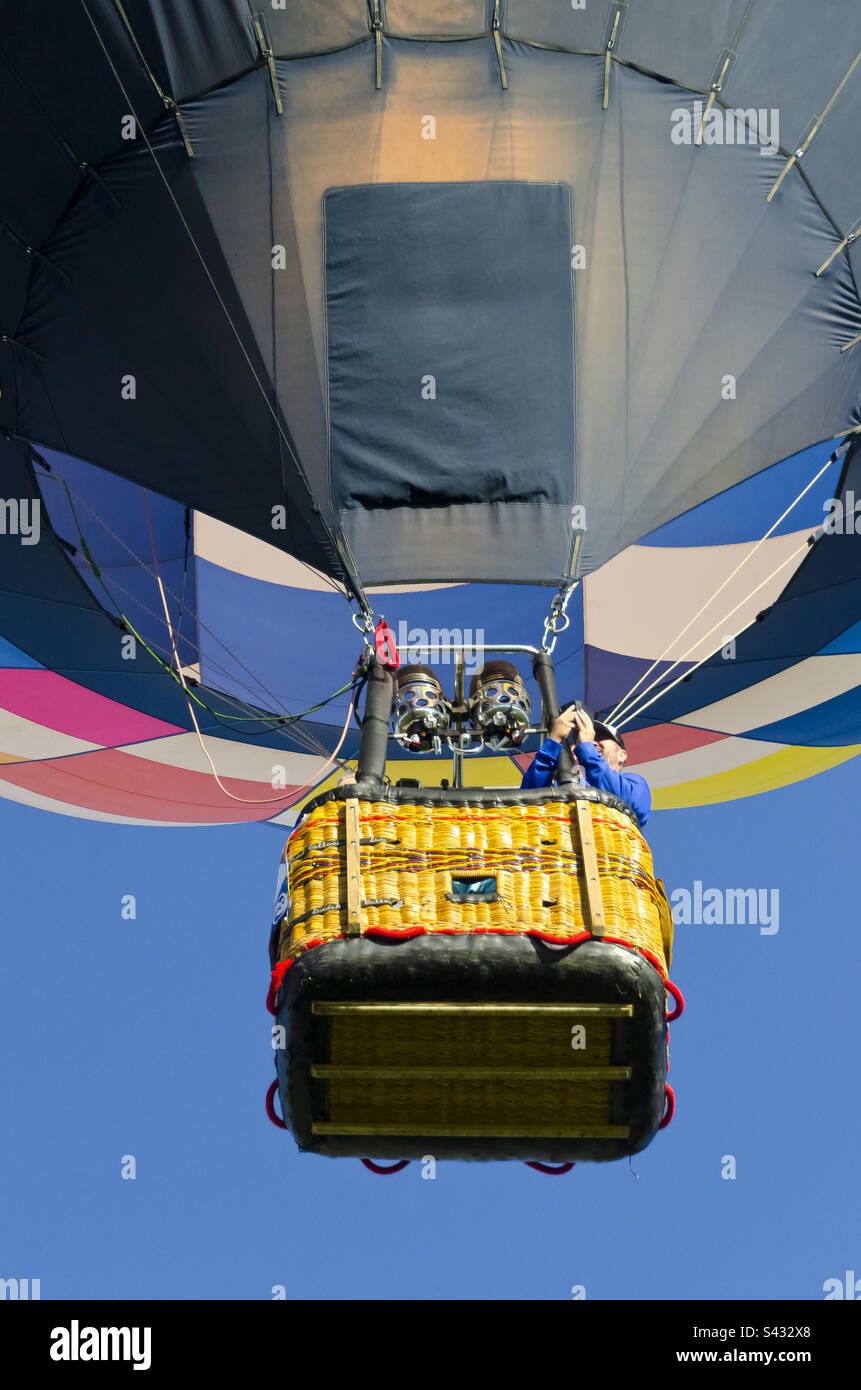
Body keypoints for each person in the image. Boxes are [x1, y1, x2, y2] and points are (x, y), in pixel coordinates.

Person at [521, 705, 651, 829]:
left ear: (622, 755)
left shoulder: (634, 782)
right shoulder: (562, 782)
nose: (592, 740)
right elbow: (528, 798)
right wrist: (554, 742)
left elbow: (631, 803)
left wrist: (586, 747)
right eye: (584, 737)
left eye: (600, 737)